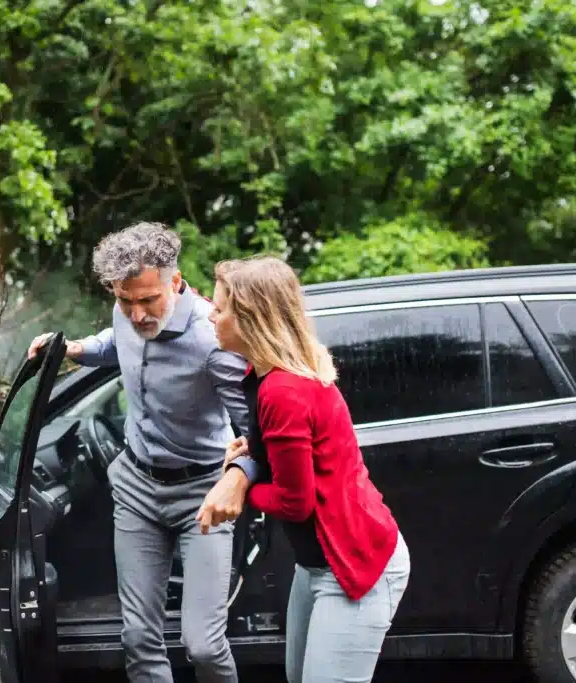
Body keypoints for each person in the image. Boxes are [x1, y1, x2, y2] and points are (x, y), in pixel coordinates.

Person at [27, 222, 255, 683]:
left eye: (148, 300)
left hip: (201, 494)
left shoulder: (214, 340)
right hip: (136, 488)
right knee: (137, 639)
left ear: (175, 280)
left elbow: (259, 431)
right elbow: (117, 342)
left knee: (204, 645)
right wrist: (75, 349)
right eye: (124, 300)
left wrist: (239, 475)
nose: (136, 314)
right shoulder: (127, 312)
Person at [197, 255, 411, 683]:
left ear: (251, 318)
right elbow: (291, 450)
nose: (211, 316)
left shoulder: (282, 390)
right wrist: (252, 453)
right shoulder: (264, 374)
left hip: (354, 564)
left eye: (220, 309)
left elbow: (296, 503)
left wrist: (241, 488)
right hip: (316, 565)